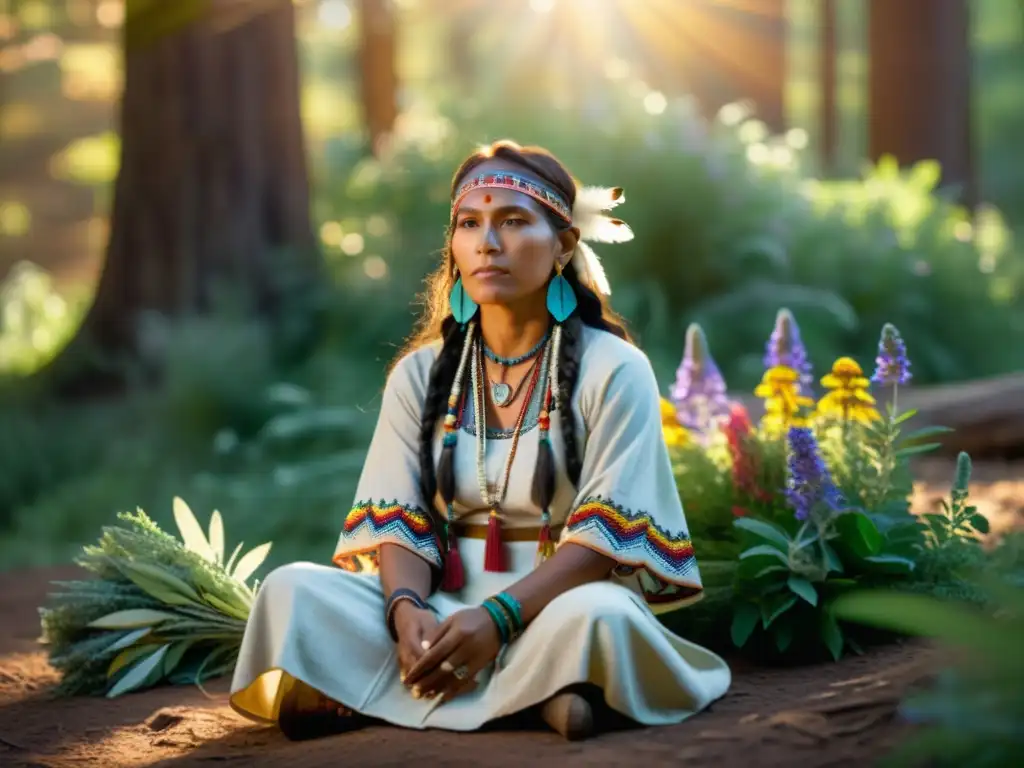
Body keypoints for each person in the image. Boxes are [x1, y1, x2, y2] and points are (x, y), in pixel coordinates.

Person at [229, 139, 732, 742]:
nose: (487, 243)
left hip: (555, 604)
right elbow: (398, 518)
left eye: (513, 221)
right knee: (291, 589)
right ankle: (540, 695)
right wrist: (405, 612)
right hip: (441, 603)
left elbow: (605, 535)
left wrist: (499, 616)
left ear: (565, 244)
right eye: (470, 224)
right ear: (454, 246)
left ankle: (385, 692)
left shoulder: (615, 369)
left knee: (601, 616)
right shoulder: (421, 373)